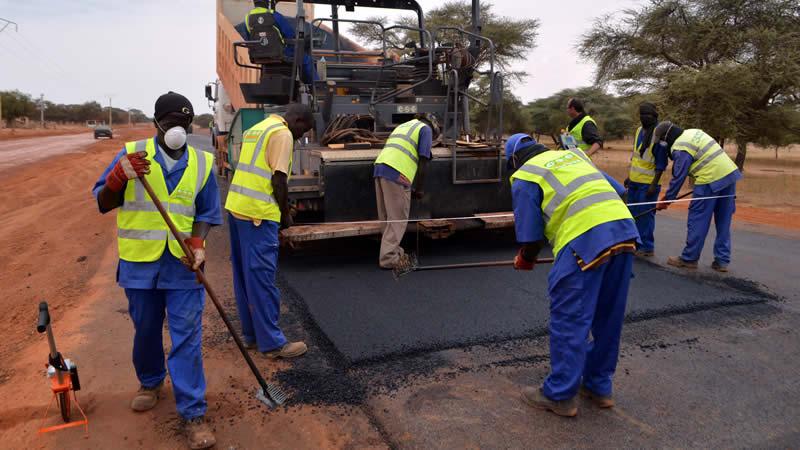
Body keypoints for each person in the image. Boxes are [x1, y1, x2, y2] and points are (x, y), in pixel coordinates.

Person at [92, 92, 221, 449]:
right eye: (170, 124)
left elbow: (208, 213)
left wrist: (198, 244)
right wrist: (118, 178)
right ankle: (150, 381)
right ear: (156, 125)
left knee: (187, 339)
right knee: (146, 331)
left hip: (182, 265)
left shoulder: (202, 162)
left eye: (184, 124)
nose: (177, 131)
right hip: (140, 265)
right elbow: (103, 202)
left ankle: (193, 413)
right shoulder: (131, 154)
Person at [506, 133, 640, 417]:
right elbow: (621, 192)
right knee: (608, 316)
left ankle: (560, 395)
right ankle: (598, 385)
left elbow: (530, 236)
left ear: (514, 160)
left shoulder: (525, 174)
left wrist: (525, 259)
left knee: (570, 316)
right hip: (624, 232)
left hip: (585, 239)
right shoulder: (575, 155)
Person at [224, 103, 314, 358]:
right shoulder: (283, 133)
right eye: (303, 129)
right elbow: (278, 179)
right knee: (262, 279)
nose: (301, 135)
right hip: (258, 215)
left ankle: (251, 336)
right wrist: (285, 215)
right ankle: (273, 344)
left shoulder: (259, 127)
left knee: (244, 277)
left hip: (237, 209)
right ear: (296, 119)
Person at [654, 122, 741, 272]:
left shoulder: (680, 146)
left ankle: (689, 259)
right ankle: (722, 261)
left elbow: (678, 176)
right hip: (729, 176)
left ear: (666, 137)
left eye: (662, 142)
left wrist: (666, 200)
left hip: (709, 179)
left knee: (698, 219)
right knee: (723, 220)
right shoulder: (693, 132)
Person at [373, 114, 439, 269]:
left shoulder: (405, 125)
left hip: (380, 167)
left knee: (387, 216)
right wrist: (420, 189)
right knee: (398, 217)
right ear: (433, 126)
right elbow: (423, 161)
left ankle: (393, 251)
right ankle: (389, 259)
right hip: (397, 172)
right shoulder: (426, 130)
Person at [625, 102, 668, 257]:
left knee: (645, 215)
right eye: (641, 115)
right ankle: (634, 243)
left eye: (647, 115)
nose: (644, 118)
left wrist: (653, 184)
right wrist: (629, 177)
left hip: (648, 183)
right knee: (632, 213)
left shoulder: (659, 135)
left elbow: (661, 163)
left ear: (654, 116)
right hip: (635, 181)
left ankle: (647, 247)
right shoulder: (638, 131)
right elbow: (636, 156)